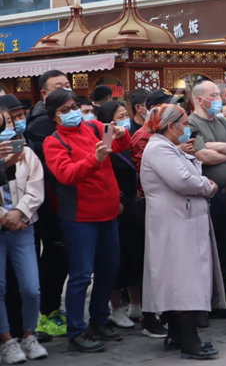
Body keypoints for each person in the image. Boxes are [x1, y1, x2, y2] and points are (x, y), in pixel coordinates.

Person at [42, 88, 130, 352]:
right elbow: (66, 175)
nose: (72, 113)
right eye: (65, 110)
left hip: (108, 212)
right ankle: (77, 330)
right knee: (81, 275)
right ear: (54, 116)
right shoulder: (53, 141)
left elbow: (118, 147)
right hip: (79, 217)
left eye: (74, 107)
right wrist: (95, 159)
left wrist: (122, 136)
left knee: (109, 268)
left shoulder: (92, 128)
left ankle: (100, 319)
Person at [140, 104, 224, 360]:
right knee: (182, 279)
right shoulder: (158, 148)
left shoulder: (166, 147)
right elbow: (183, 181)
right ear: (170, 125)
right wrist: (207, 186)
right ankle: (189, 340)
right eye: (184, 122)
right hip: (174, 223)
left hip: (181, 220)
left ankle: (177, 333)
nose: (187, 127)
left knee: (179, 277)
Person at [96, 102, 167, 338]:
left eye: (126, 114)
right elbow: (103, 172)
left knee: (136, 256)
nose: (125, 119)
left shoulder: (126, 141)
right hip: (116, 207)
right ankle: (116, 308)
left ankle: (136, 304)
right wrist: (120, 200)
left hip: (134, 206)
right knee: (116, 260)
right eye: (120, 116)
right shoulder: (104, 143)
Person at [0, 102, 49, 363]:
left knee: (31, 287)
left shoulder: (27, 154)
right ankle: (7, 341)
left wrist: (18, 213)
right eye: (4, 122)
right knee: (0, 287)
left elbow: (35, 188)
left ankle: (29, 334)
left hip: (23, 227)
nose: (9, 126)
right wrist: (4, 217)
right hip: (3, 227)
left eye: (10, 122)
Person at [24, 70, 71, 339]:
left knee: (58, 258)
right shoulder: (41, 123)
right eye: (59, 87)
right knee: (53, 258)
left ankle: (49, 310)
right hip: (48, 200)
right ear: (44, 93)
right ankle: (45, 314)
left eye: (67, 85)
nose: (66, 89)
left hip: (57, 199)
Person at [189, 80, 226, 289]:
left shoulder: (224, 122)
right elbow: (201, 155)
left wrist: (214, 146)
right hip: (208, 196)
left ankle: (223, 295)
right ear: (199, 99)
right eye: (213, 95)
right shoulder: (191, 123)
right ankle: (208, 299)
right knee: (206, 248)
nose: (218, 99)